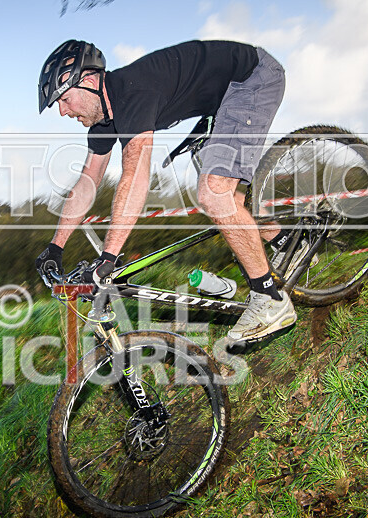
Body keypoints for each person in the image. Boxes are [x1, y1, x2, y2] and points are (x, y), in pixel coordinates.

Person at [35, 39, 297, 341]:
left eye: (65, 100)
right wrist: (56, 246)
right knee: (229, 202)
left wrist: (109, 257)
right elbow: (87, 181)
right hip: (220, 100)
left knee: (214, 193)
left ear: (90, 81)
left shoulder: (133, 92)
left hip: (250, 78)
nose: (63, 112)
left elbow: (135, 176)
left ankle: (270, 301)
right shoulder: (104, 121)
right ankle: (287, 240)